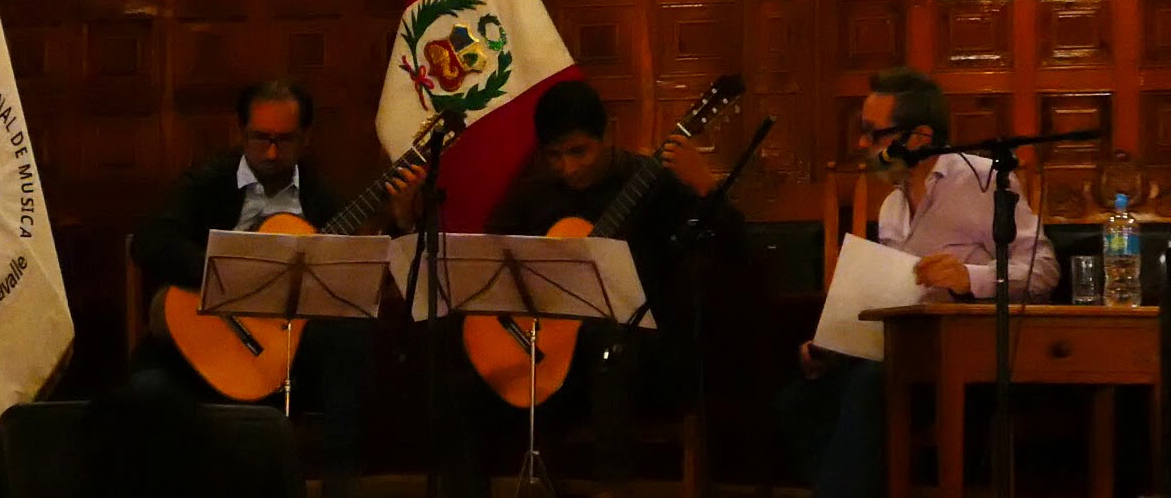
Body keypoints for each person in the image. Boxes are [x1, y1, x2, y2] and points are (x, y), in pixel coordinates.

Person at [444, 80, 747, 498]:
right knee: (461, 384)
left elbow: (735, 245)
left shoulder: (650, 181)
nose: (568, 167)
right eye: (555, 155)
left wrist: (705, 185)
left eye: (579, 151)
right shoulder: (535, 192)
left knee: (607, 345)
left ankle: (613, 489)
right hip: (552, 359)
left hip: (639, 358)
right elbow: (491, 258)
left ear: (606, 136)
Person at [129, 79, 425, 498]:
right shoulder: (207, 181)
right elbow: (151, 241)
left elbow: (362, 270)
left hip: (288, 355)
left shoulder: (321, 195)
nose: (271, 152)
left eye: (283, 141)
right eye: (260, 138)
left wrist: (401, 218)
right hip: (206, 343)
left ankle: (342, 485)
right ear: (240, 131)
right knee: (145, 392)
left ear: (305, 138)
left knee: (351, 331)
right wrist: (231, 273)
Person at [776, 66, 1059, 498]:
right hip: (901, 351)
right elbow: (888, 294)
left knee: (872, 386)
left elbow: (1043, 270)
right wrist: (834, 343)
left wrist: (970, 277)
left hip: (968, 356)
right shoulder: (892, 205)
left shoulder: (983, 181)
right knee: (799, 402)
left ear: (921, 137)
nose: (863, 145)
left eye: (874, 133)